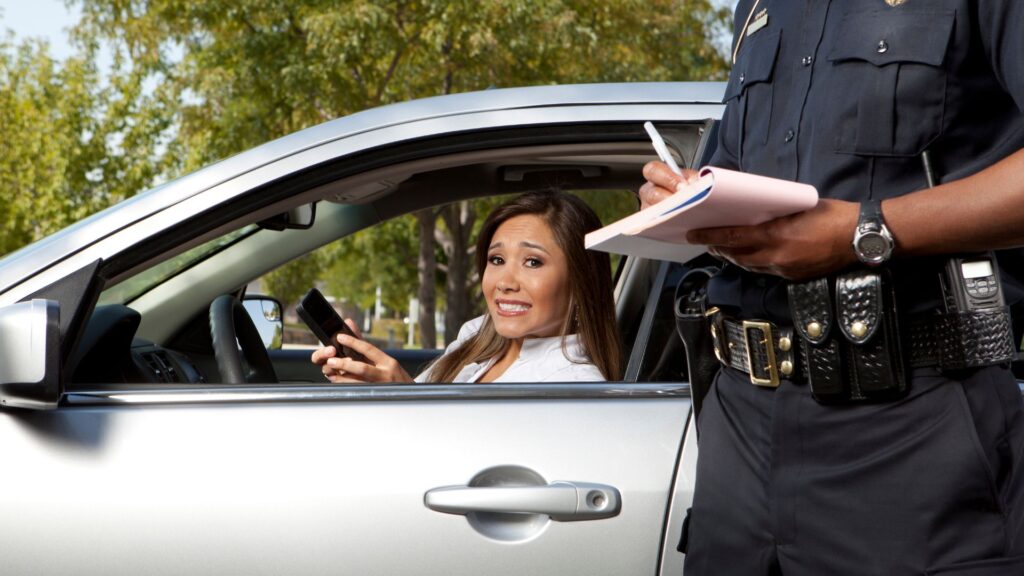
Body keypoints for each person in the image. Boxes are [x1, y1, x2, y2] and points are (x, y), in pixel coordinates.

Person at [640, 2, 1024, 575]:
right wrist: (683, 198)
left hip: (914, 425)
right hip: (740, 429)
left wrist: (864, 231)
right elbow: (734, 170)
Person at [311, 191, 621, 383]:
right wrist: (370, 379)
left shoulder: (575, 388)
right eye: (497, 259)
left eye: (533, 262)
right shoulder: (475, 337)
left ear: (581, 280)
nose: (505, 283)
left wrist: (404, 400)